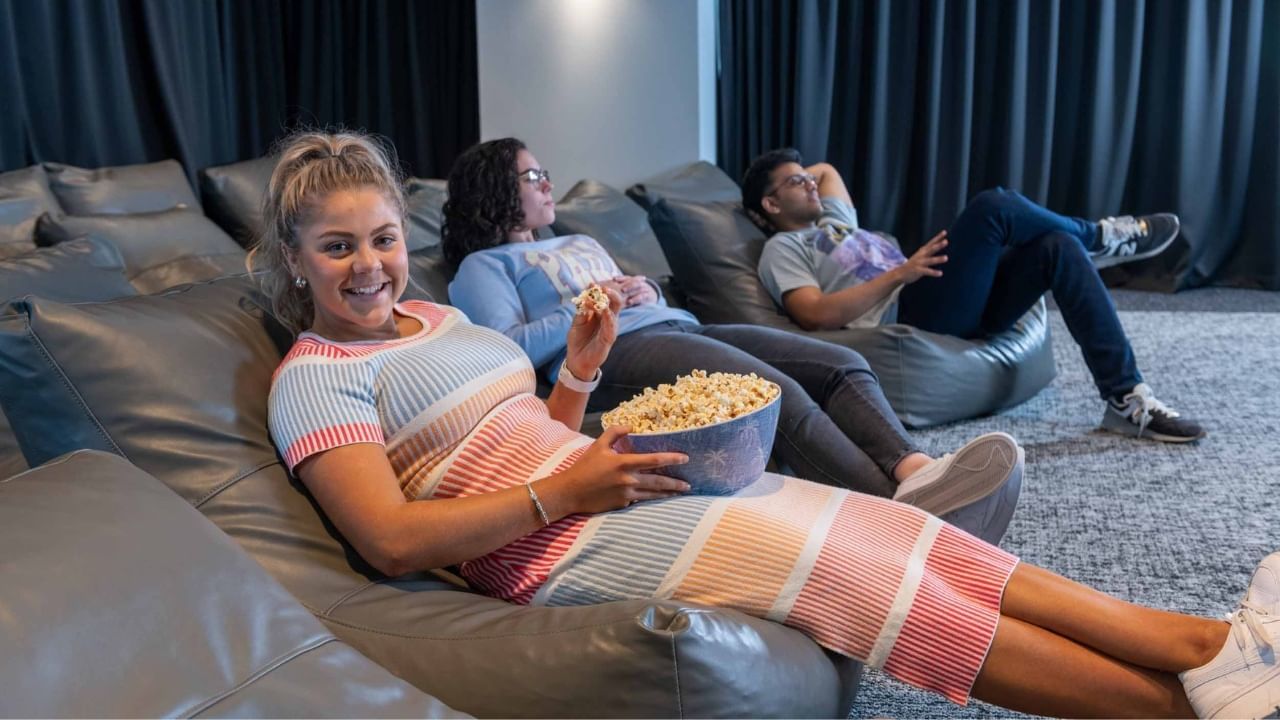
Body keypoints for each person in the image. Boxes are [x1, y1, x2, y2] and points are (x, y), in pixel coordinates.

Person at [255, 130, 1274, 718]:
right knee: (847, 574)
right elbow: (387, 539)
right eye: (337, 247)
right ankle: (1186, 708)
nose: (369, 266)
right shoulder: (312, 378)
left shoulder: (434, 314)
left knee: (897, 528)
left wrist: (572, 380)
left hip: (600, 477)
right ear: (296, 259)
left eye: (382, 238)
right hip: (548, 544)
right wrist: (561, 489)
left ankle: (1195, 640)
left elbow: (524, 425)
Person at [440, 137, 1020, 543]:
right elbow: (506, 348)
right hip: (613, 356)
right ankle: (906, 524)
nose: (548, 183)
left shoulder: (573, 240)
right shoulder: (484, 267)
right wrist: (591, 307)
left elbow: (646, 301)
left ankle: (918, 473)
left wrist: (643, 293)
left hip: (671, 326)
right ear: (496, 188)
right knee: (766, 390)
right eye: (533, 175)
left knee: (837, 363)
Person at [745, 148, 1206, 444]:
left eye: (807, 178)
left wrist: (799, 173)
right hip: (911, 307)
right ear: (770, 205)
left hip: (942, 296)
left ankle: (1126, 398)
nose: (810, 182)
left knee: (1057, 248)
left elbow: (827, 168)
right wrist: (900, 273)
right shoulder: (783, 247)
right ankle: (1099, 236)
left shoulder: (835, 221)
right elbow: (813, 314)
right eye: (795, 182)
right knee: (994, 207)